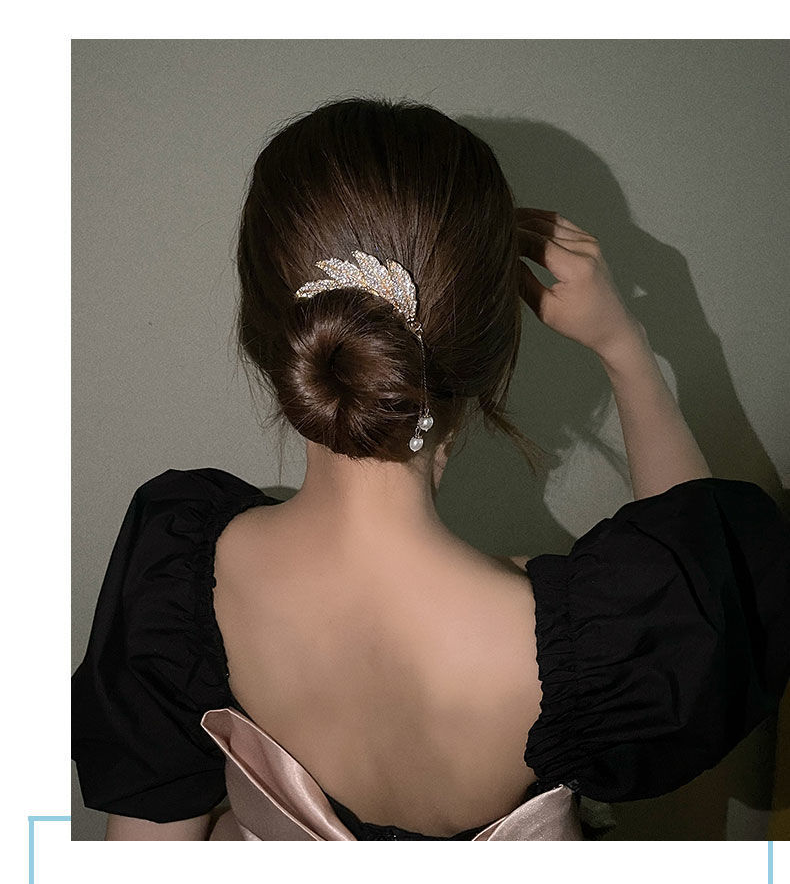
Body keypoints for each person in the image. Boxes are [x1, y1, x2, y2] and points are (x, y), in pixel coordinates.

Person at [71, 97, 790, 841]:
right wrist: (628, 348)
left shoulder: (175, 575)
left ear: (269, 335)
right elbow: (701, 573)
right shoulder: (595, 643)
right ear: (491, 351)